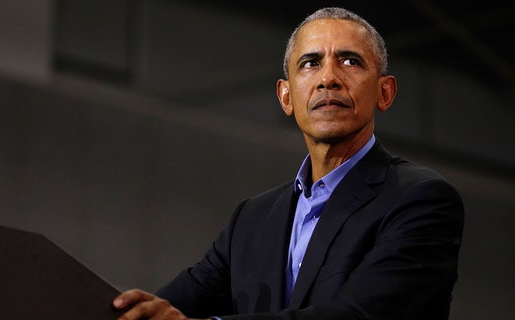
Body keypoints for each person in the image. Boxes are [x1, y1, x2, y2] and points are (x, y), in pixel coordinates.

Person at [112, 7, 464, 320]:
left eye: (350, 61)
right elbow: (167, 306)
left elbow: (360, 314)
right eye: (311, 63)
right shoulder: (252, 219)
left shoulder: (420, 200)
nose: (329, 78)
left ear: (384, 93)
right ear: (286, 96)